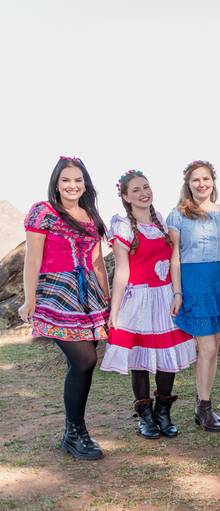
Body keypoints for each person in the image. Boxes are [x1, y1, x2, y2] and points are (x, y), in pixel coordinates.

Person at [19, 156, 110, 460]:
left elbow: (97, 263)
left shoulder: (91, 215)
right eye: (66, 180)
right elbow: (32, 258)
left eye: (78, 180)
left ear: (85, 184)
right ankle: (74, 432)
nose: (73, 185)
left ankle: (74, 431)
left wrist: (107, 301)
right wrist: (29, 299)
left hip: (89, 298)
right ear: (56, 185)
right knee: (84, 360)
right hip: (57, 294)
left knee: (84, 363)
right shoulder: (43, 212)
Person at [101, 170, 197, 439]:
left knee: (168, 356)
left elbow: (174, 262)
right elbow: (122, 271)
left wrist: (177, 293)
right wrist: (115, 311)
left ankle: (163, 412)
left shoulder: (162, 223)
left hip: (165, 296)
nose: (143, 193)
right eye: (136, 190)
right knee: (140, 358)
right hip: (139, 299)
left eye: (146, 187)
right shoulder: (122, 226)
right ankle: (145, 415)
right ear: (125, 196)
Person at [167, 160, 220, 432]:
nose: (201, 184)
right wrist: (177, 292)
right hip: (193, 281)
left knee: (214, 346)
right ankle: (204, 407)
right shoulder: (178, 215)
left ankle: (202, 402)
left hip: (219, 280)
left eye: (206, 179)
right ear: (188, 184)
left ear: (213, 181)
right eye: (196, 179)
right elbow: (175, 256)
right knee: (206, 348)